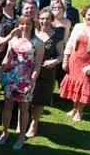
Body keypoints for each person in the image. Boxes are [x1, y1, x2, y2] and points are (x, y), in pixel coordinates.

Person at [0, 16, 44, 150]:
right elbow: (8, 57)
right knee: (7, 106)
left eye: (28, 24)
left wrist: (31, 82)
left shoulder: (38, 43)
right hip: (11, 78)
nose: (25, 27)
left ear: (33, 25)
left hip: (26, 80)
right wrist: (1, 72)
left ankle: (21, 136)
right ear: (18, 25)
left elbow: (37, 66)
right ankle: (4, 132)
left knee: (24, 109)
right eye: (22, 24)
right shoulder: (13, 39)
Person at [27, 9, 65, 138]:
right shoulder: (33, 33)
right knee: (26, 97)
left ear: (52, 20)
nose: (45, 21)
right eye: (42, 18)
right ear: (38, 19)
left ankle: (34, 123)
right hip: (29, 70)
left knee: (39, 99)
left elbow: (61, 55)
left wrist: (55, 61)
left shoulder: (56, 36)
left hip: (47, 71)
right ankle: (23, 121)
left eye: (47, 18)